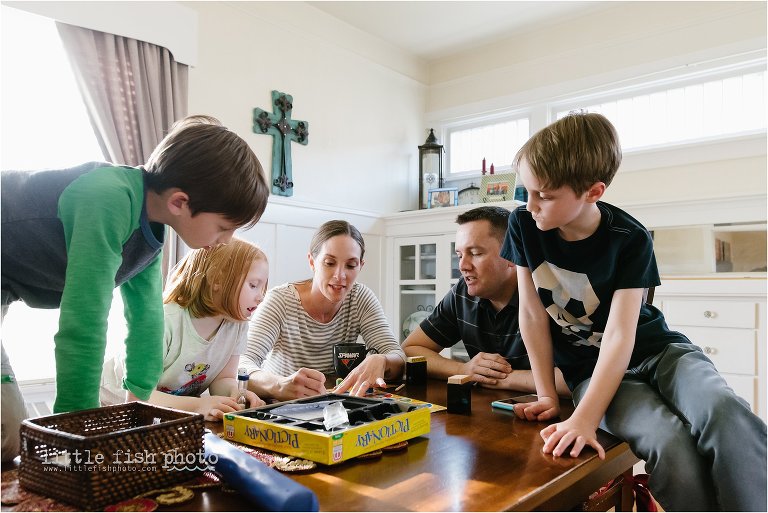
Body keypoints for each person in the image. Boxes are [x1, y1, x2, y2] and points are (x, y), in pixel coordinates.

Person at [501, 112, 766, 511]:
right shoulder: (522, 225)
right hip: (590, 372)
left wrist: (586, 419)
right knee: (667, 440)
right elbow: (533, 315)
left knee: (724, 411)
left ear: (593, 192)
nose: (530, 204)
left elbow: (620, 335)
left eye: (545, 195)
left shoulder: (631, 238)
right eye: (526, 191)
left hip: (659, 352)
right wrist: (547, 395)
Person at [1, 115, 269, 461]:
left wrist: (139, 399)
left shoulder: (152, 228)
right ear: (179, 202)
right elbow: (84, 321)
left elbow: (145, 315)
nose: (226, 241)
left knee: (8, 439)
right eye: (223, 228)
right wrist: (75, 424)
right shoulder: (107, 199)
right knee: (8, 435)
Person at [402, 206, 569, 395]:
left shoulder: (551, 294)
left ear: (512, 255)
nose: (462, 266)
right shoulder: (462, 293)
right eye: (459, 255)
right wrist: (463, 370)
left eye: (475, 253)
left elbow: (584, 376)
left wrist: (507, 379)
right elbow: (410, 349)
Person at [101, 238, 268, 420]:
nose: (260, 297)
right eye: (253, 285)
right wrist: (198, 405)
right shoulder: (165, 322)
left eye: (263, 288)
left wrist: (236, 394)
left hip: (163, 413)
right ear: (217, 279)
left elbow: (223, 379)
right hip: (109, 406)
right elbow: (140, 397)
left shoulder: (237, 325)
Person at [242, 220, 405, 400]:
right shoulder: (280, 301)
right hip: (283, 408)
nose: (340, 275)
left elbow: (398, 357)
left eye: (351, 265)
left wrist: (382, 360)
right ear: (312, 262)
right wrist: (279, 385)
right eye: (329, 263)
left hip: (337, 408)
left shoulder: (360, 298)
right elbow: (242, 364)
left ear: (360, 266)